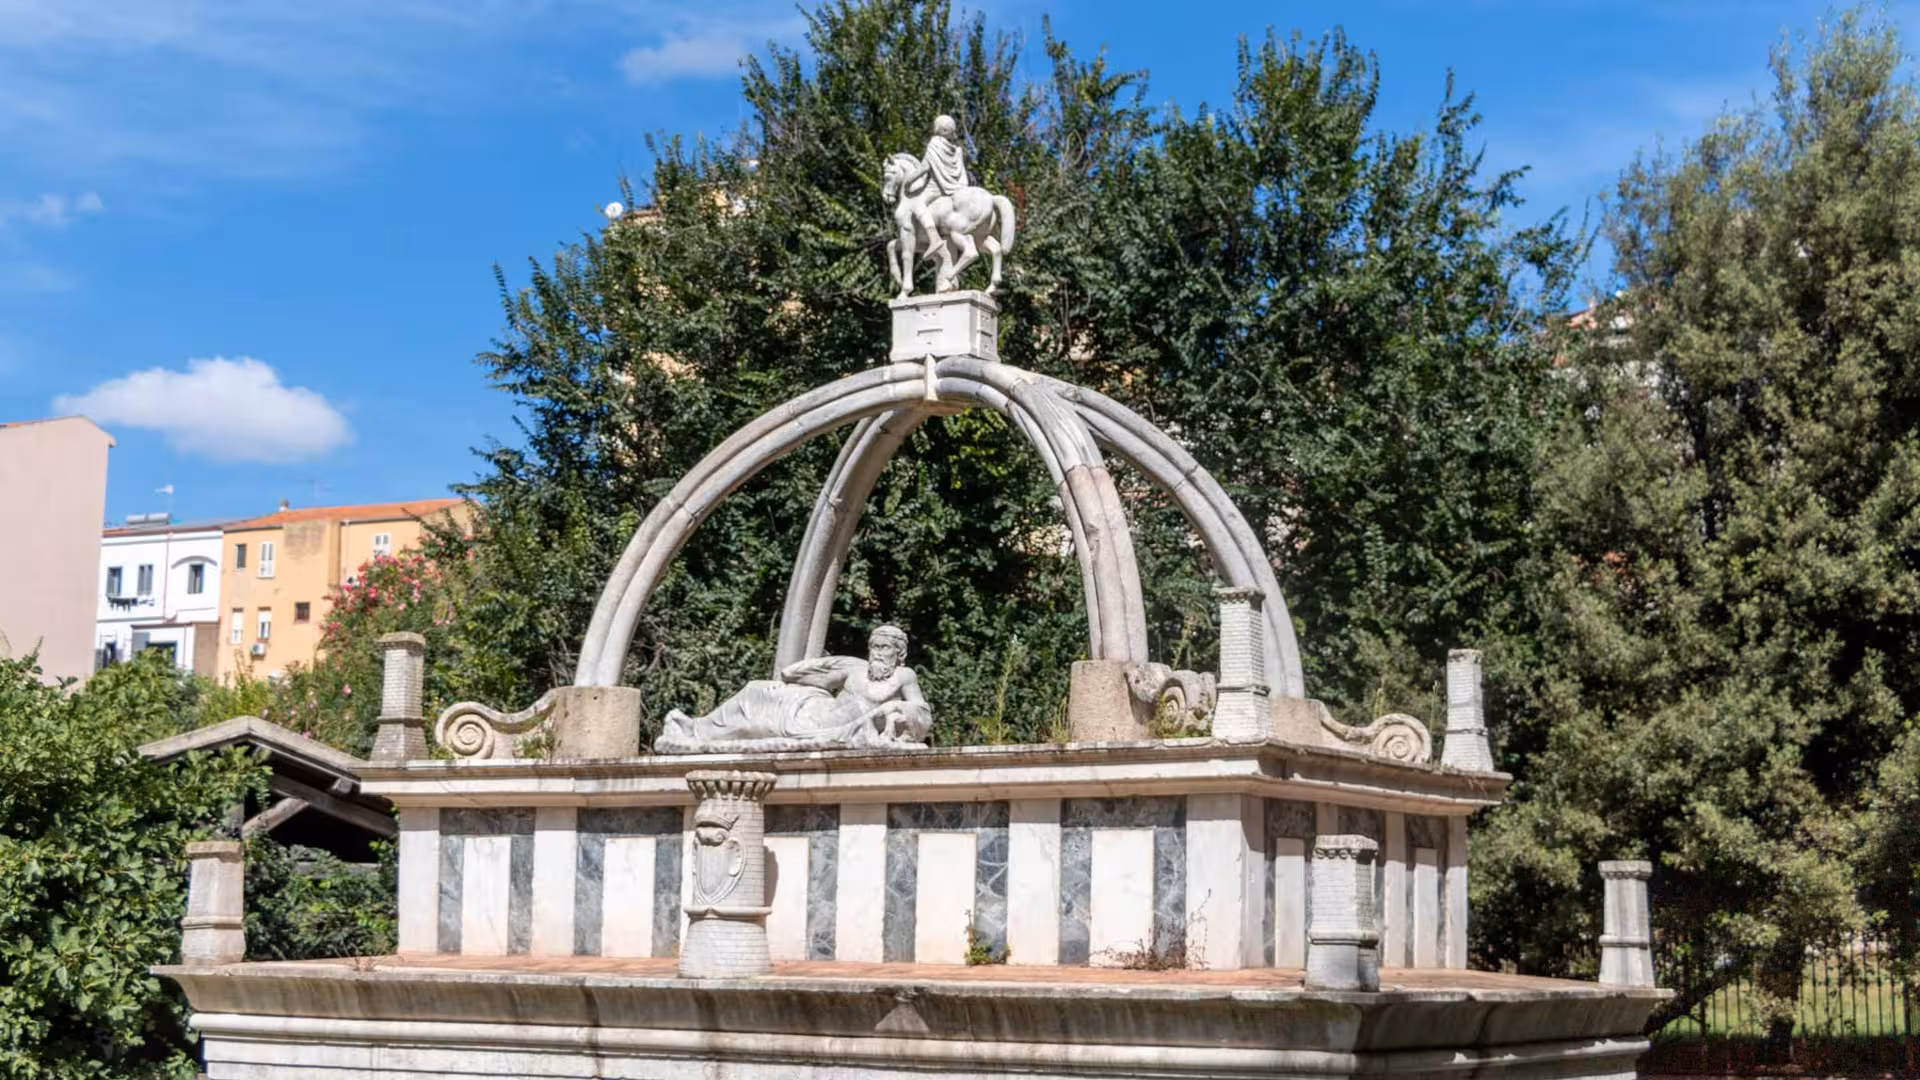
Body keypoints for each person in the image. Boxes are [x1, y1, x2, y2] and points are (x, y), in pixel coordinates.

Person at [657, 624, 932, 750]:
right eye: (874, 646)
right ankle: (695, 729)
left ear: (899, 653)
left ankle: (696, 733)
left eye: (884, 647)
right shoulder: (856, 668)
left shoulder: (904, 676)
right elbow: (796, 673)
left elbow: (922, 713)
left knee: (750, 727)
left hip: (826, 731)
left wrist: (895, 707)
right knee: (756, 691)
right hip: (808, 710)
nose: (877, 652)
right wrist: (795, 678)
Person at [917, 114, 968, 199]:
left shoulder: (934, 145)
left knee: (917, 205)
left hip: (935, 189)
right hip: (959, 187)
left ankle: (924, 213)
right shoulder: (958, 150)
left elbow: (924, 168)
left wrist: (908, 182)